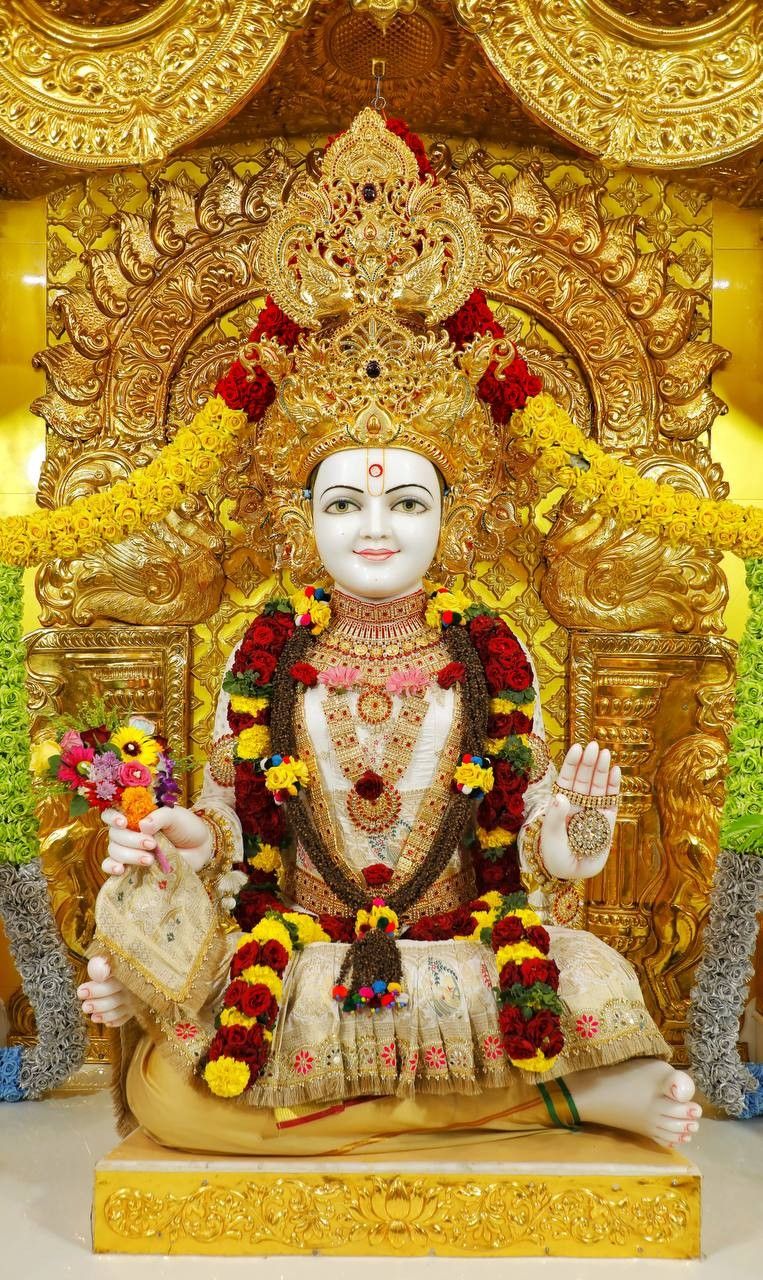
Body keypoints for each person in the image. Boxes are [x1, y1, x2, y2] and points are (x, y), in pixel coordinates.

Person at [76, 109, 700, 1156]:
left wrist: (577, 825)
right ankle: (569, 1100)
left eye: (407, 503)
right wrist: (196, 836)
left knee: (586, 970)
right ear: (300, 516)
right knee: (193, 1050)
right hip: (305, 945)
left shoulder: (485, 654)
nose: (374, 526)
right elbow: (235, 822)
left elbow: (535, 850)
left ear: (452, 518)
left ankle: (519, 1095)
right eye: (346, 504)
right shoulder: (265, 653)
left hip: (460, 948)